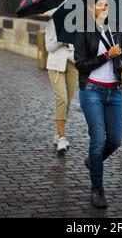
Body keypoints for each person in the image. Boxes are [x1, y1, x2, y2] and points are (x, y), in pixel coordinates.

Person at [74, 0, 122, 208]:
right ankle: (97, 189)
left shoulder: (115, 30)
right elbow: (80, 65)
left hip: (115, 91)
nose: (106, 8)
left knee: (115, 140)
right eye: (101, 4)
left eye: (108, 4)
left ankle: (93, 161)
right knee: (98, 139)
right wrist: (106, 56)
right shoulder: (84, 32)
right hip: (92, 90)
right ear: (92, 8)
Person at [45, 17, 78, 153]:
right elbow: (49, 47)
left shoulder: (77, 22)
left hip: (72, 64)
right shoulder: (52, 23)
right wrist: (61, 40)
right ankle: (62, 138)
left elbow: (78, 44)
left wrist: (69, 43)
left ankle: (58, 133)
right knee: (62, 100)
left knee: (68, 102)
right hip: (55, 65)